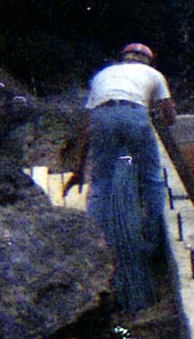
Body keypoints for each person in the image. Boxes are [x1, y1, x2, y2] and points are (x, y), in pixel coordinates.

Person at [71, 42, 176, 315]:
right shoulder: (153, 76)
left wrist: (79, 169)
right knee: (151, 177)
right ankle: (152, 239)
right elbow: (170, 117)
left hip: (102, 117)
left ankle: (95, 238)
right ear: (148, 62)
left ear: (122, 59)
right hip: (134, 114)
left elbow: (86, 125)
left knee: (102, 182)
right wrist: (154, 112)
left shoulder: (103, 75)